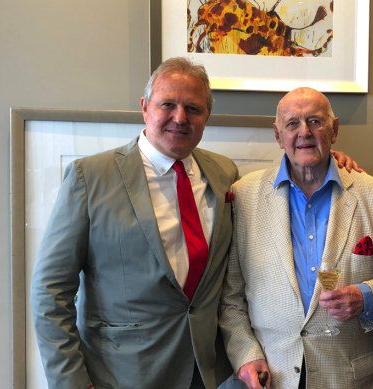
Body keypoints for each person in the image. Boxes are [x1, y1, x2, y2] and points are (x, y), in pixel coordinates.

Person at [29, 57, 239, 389]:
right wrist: (71, 382)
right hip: (120, 375)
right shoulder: (90, 178)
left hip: (207, 373)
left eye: (193, 109)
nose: (180, 118)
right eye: (167, 104)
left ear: (206, 116)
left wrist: (335, 163)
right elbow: (49, 292)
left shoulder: (224, 173)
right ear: (145, 107)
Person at [219, 87, 373, 389]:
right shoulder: (244, 196)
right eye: (292, 124)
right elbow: (231, 297)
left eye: (315, 121)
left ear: (334, 129)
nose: (304, 132)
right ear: (277, 135)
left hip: (352, 378)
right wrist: (246, 355)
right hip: (273, 376)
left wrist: (367, 297)